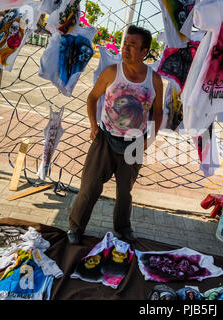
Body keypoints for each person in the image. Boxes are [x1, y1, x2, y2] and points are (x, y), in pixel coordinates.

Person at [67, 25, 164, 244]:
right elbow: (92, 98)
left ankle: (123, 228)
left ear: (144, 52)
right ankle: (75, 227)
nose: (126, 49)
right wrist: (93, 126)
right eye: (125, 44)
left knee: (125, 191)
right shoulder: (112, 72)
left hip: (135, 142)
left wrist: (150, 139)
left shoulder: (154, 80)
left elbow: (157, 113)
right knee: (90, 187)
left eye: (133, 45)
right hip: (105, 137)